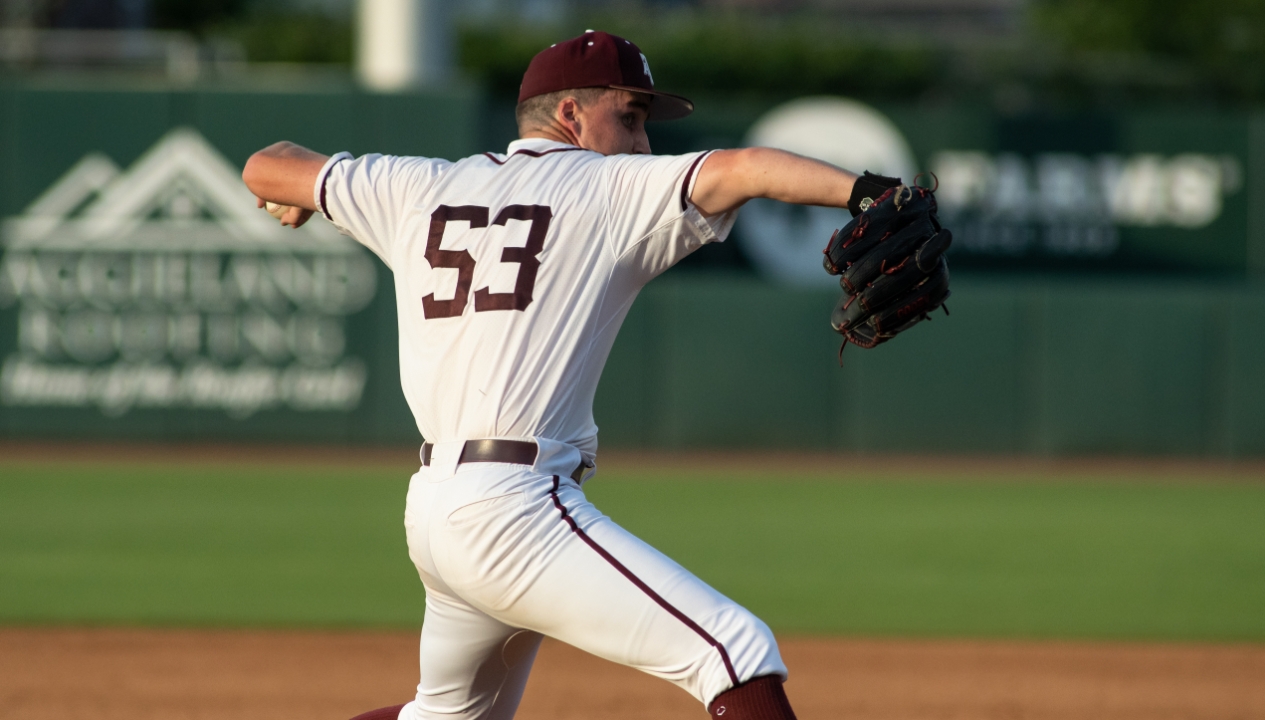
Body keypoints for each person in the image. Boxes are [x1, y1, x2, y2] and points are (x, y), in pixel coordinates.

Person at [242, 30, 858, 720]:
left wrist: (304, 195)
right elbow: (744, 168)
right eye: (629, 117)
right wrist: (867, 192)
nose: (642, 143)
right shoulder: (606, 184)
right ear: (571, 116)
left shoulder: (417, 184)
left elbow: (268, 165)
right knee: (734, 652)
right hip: (515, 507)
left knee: (446, 717)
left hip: (438, 509)